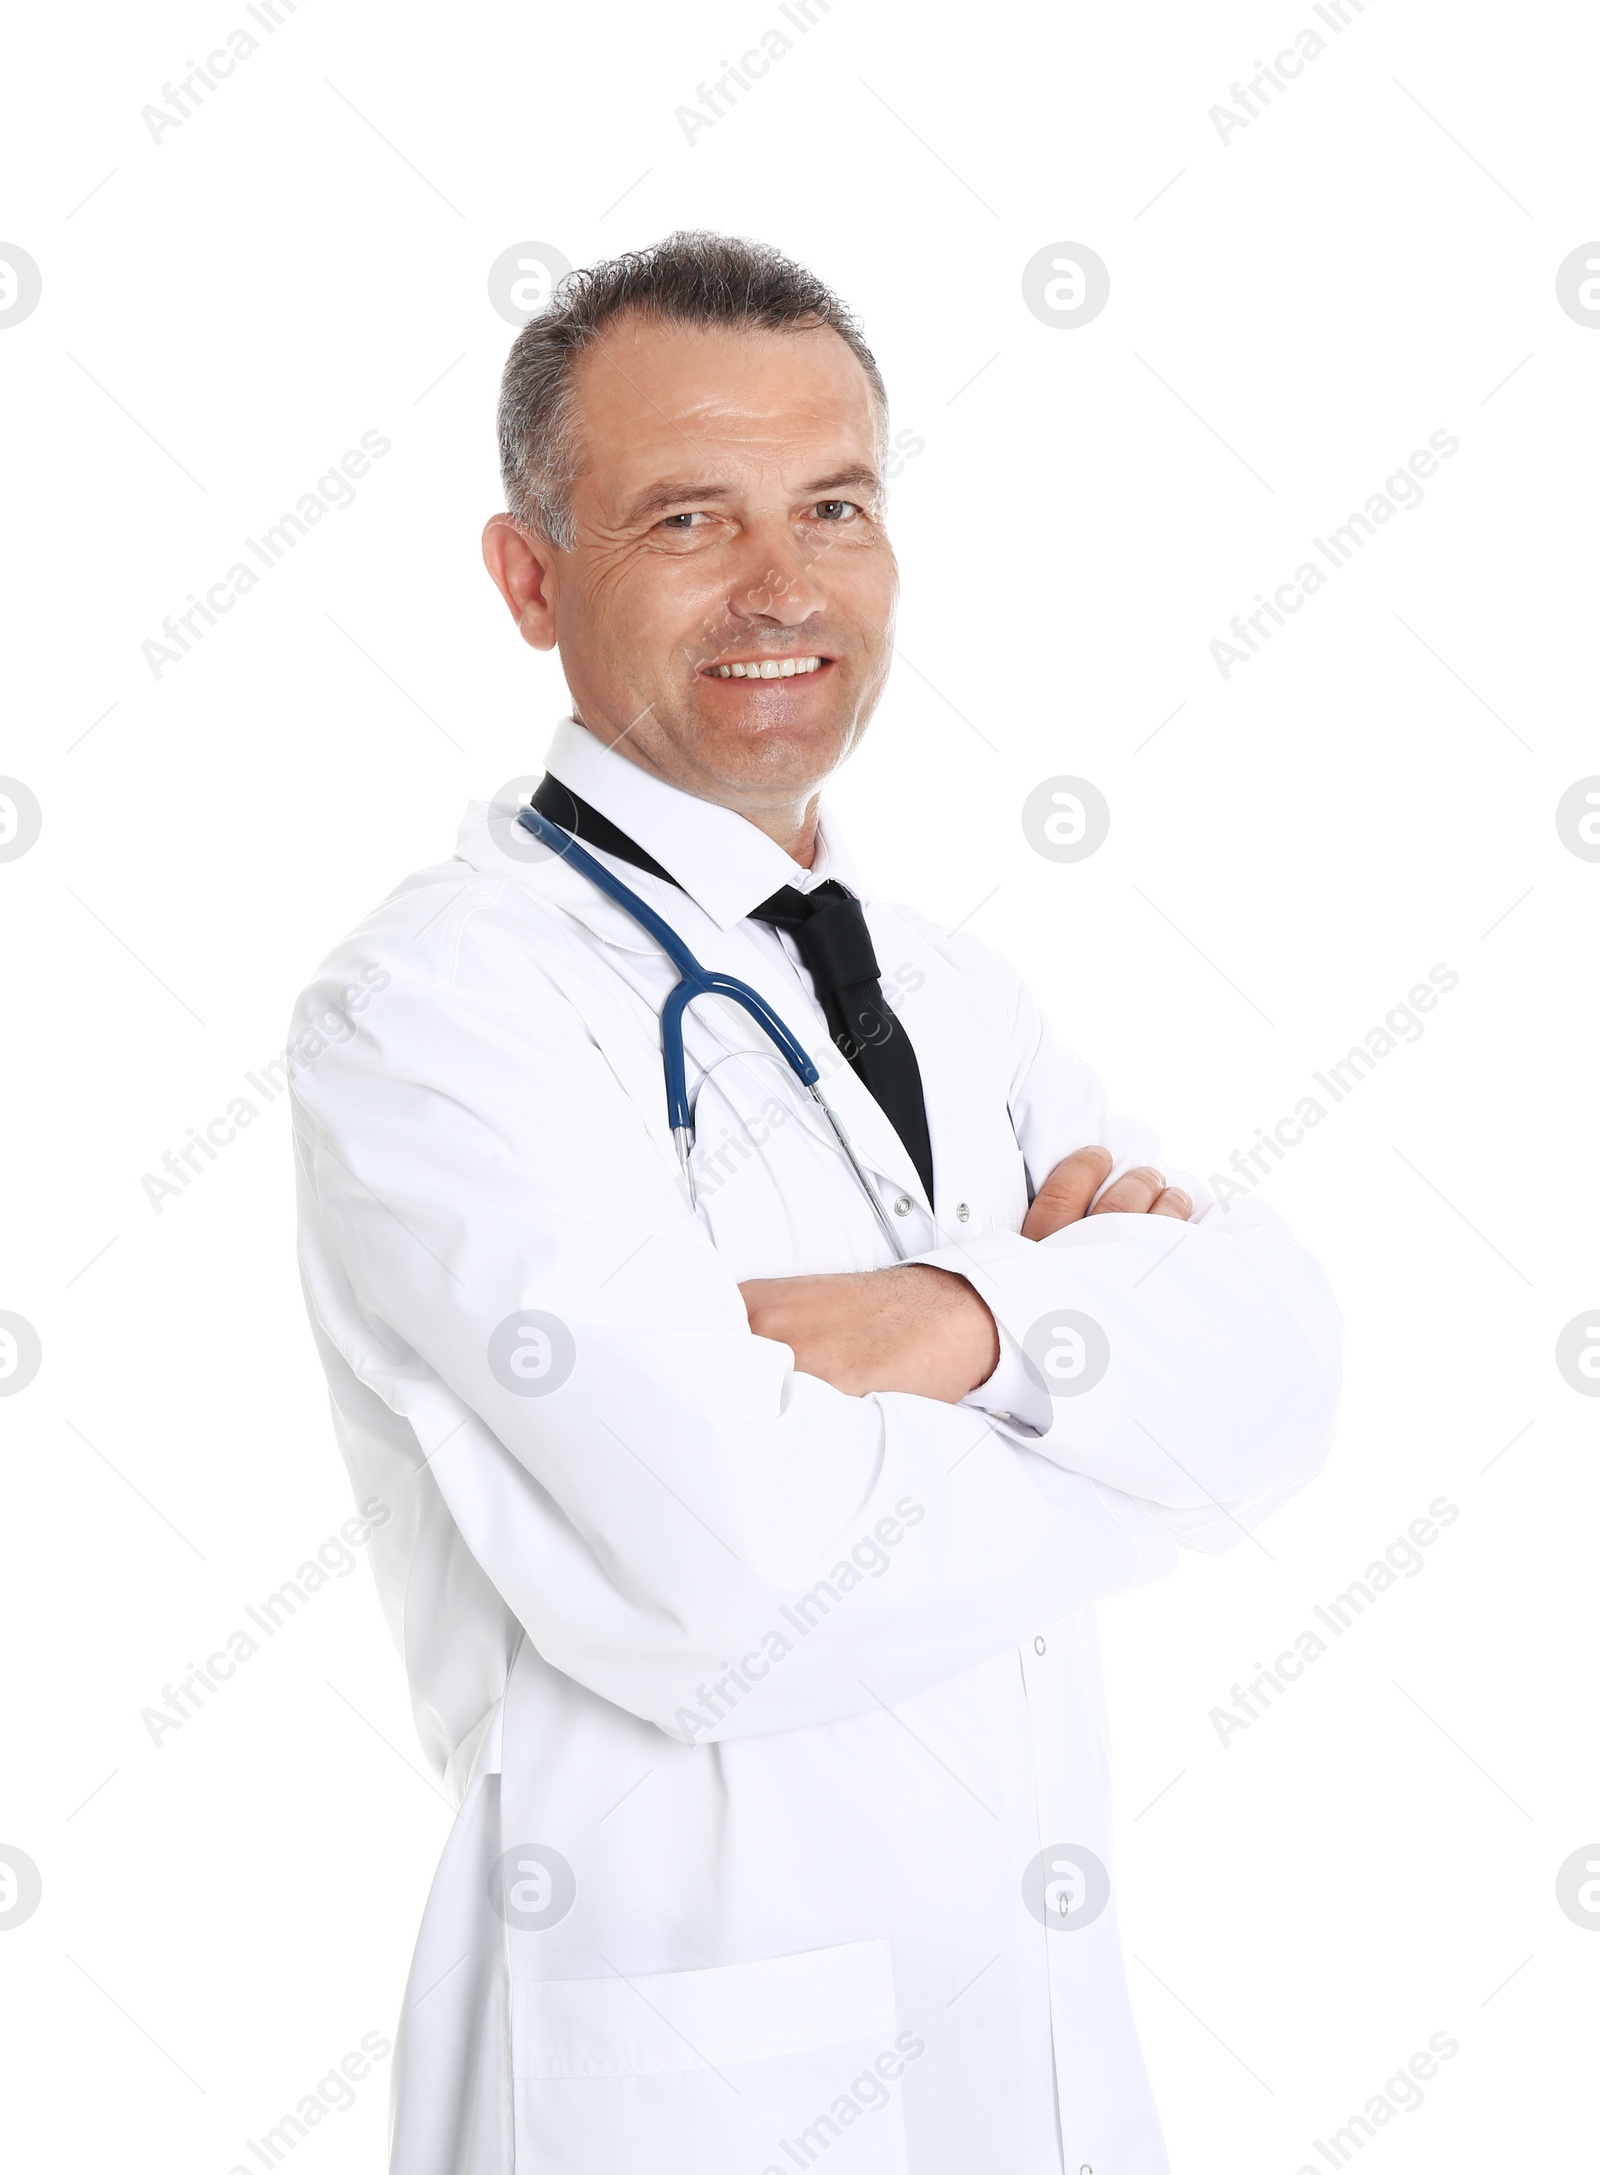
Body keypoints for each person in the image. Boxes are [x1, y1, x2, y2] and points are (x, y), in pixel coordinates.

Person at [290, 230, 1341, 2175]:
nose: (782, 585)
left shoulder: (949, 983)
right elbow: (738, 1580)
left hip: (1038, 2069)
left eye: (833, 505)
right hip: (691, 2086)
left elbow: (1282, 1369)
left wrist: (954, 1324)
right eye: (688, 514)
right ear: (531, 576)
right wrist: (1105, 1390)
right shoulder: (435, 1010)